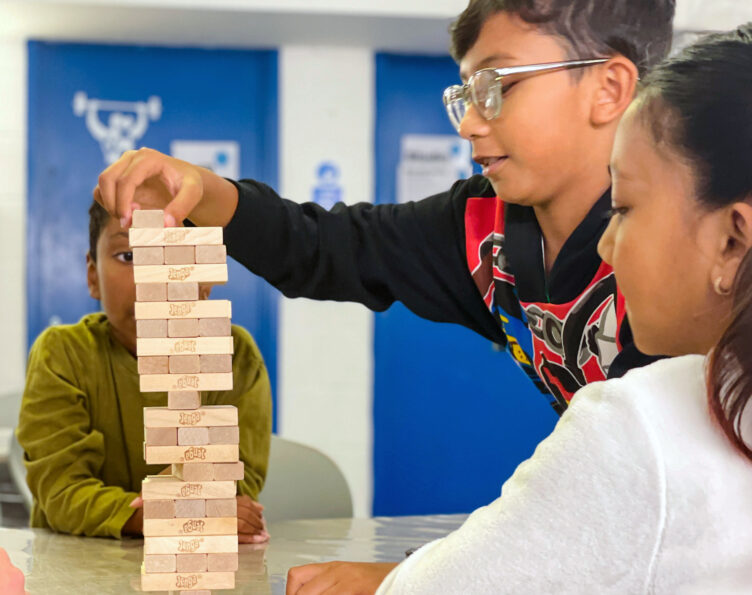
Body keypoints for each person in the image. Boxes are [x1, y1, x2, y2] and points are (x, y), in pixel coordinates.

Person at [283, 24, 752, 593]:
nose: (606, 245)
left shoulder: (643, 421)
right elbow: (337, 244)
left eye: (623, 208)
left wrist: (401, 578)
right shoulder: (473, 226)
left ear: (733, 240)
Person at [93, 0, 675, 414]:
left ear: (609, 88)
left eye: (497, 84)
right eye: (465, 94)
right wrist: (204, 189)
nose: (471, 123)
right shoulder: (481, 228)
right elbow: (328, 247)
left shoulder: (693, 246)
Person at [16, 193, 272, 542]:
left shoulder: (234, 355)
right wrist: (172, 507)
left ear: (206, 279)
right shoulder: (62, 354)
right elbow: (62, 494)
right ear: (93, 276)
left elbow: (232, 487)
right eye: (130, 256)